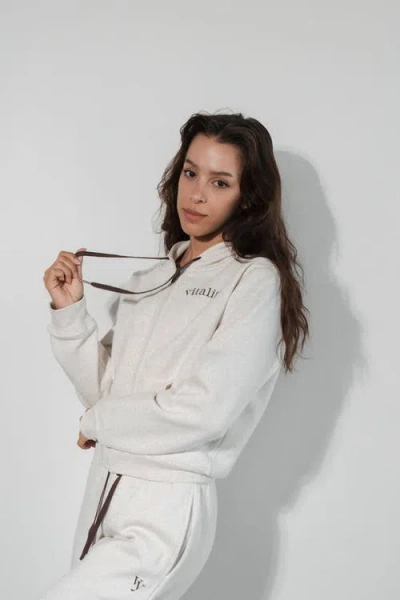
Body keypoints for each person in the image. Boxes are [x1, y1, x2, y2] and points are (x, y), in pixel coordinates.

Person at [41, 111, 309, 599]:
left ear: (248, 196)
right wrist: (70, 313)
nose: (197, 194)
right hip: (102, 487)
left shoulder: (252, 280)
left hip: (164, 505)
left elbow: (205, 410)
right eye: (190, 172)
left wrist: (97, 423)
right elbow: (104, 392)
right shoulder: (151, 277)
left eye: (220, 182)